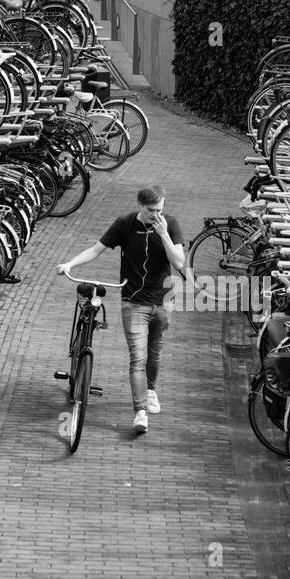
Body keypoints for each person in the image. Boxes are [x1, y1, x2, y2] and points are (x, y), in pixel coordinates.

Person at [55, 185, 184, 434]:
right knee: (138, 358)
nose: (157, 215)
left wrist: (164, 234)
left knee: (154, 354)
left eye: (160, 209)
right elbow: (96, 249)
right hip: (133, 303)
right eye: (151, 211)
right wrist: (70, 263)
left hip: (162, 302)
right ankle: (140, 412)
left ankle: (151, 390)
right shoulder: (125, 224)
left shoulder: (170, 223)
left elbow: (178, 262)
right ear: (140, 206)